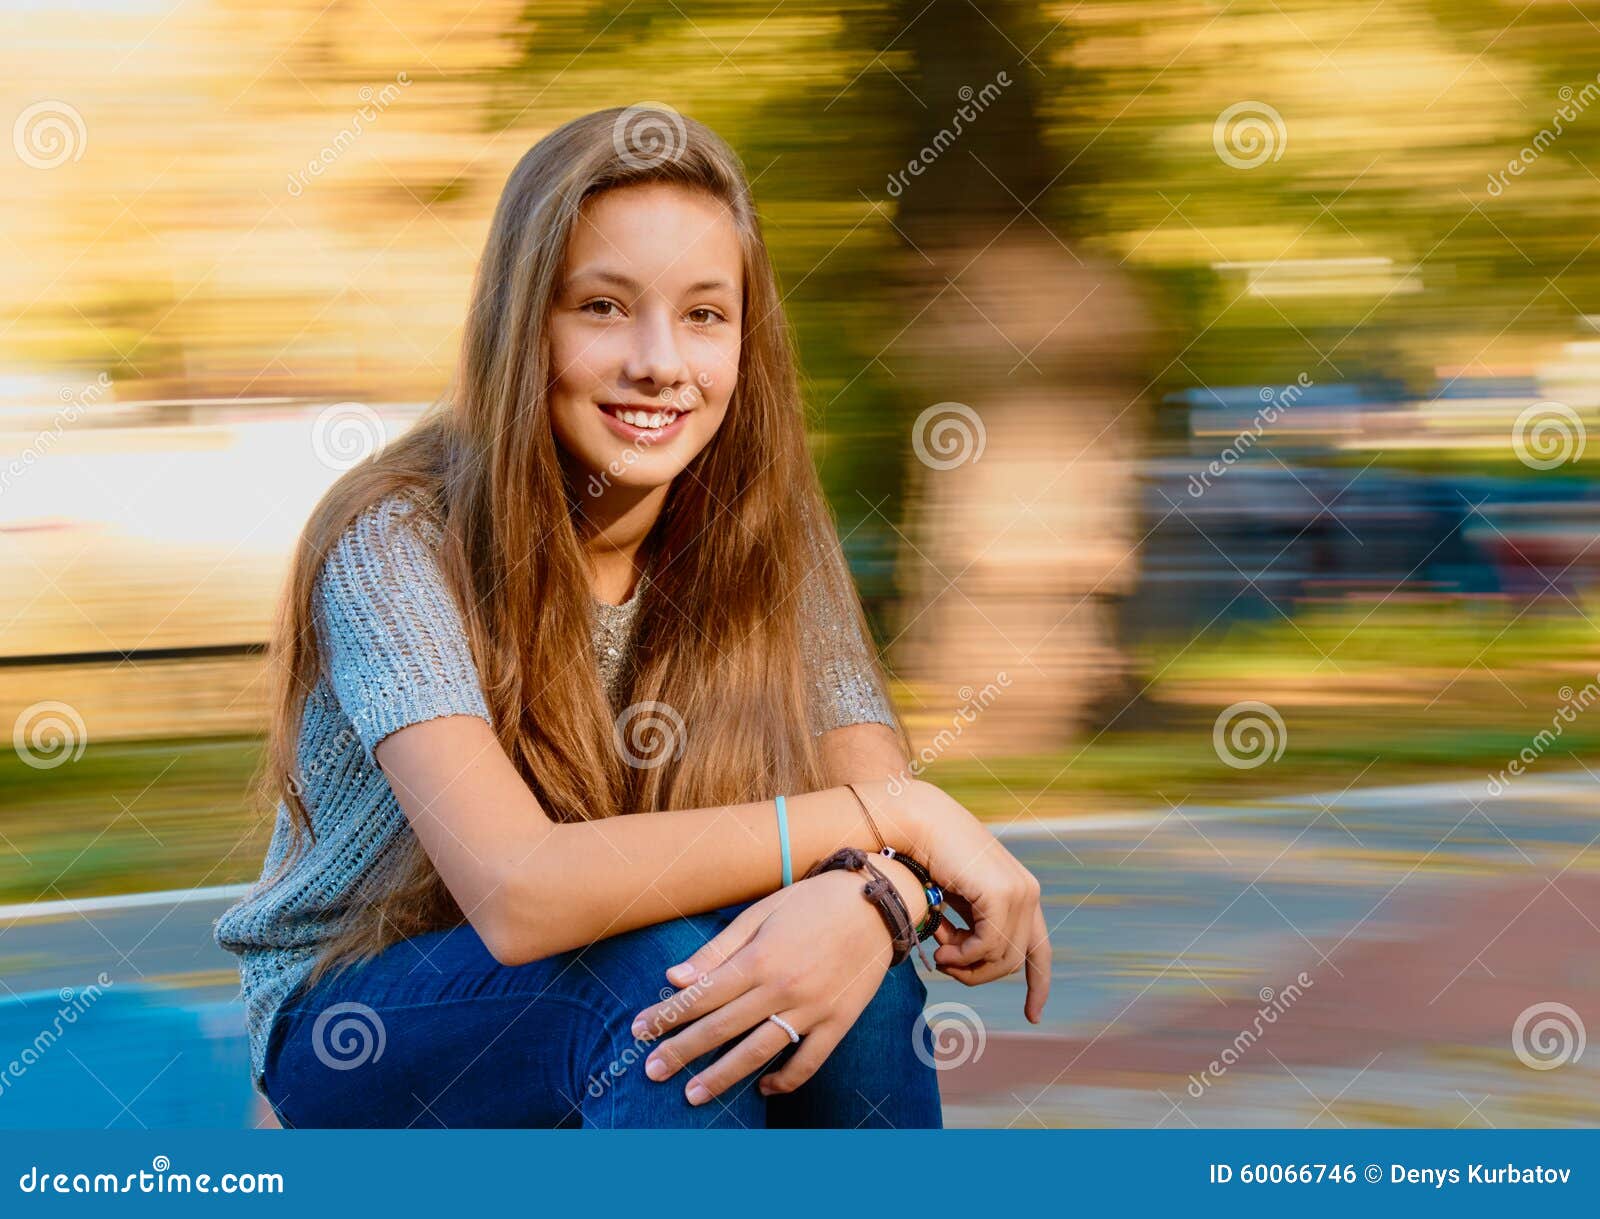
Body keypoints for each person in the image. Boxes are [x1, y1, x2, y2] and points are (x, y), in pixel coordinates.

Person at [213, 105, 1050, 1129]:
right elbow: (522, 895)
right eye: (604, 307)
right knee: (658, 984)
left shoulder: (768, 535)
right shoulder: (395, 540)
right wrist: (905, 827)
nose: (660, 362)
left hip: (630, 960)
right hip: (363, 1018)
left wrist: (877, 900)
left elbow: (882, 828)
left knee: (844, 963)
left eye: (704, 315)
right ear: (526, 325)